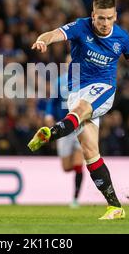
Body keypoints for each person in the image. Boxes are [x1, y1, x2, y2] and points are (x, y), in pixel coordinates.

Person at [28, 0, 129, 220]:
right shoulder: (80, 27)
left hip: (103, 89)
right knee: (90, 153)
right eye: (100, 19)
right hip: (77, 91)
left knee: (79, 111)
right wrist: (42, 40)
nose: (105, 24)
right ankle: (115, 206)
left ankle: (51, 133)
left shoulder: (123, 39)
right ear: (92, 16)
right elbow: (54, 34)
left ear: (115, 16)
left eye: (109, 18)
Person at [44, 59, 84, 208]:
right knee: (67, 168)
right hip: (64, 127)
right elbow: (52, 102)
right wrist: (48, 116)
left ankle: (75, 199)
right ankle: (76, 164)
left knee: (79, 163)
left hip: (81, 126)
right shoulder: (60, 81)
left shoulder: (85, 81)